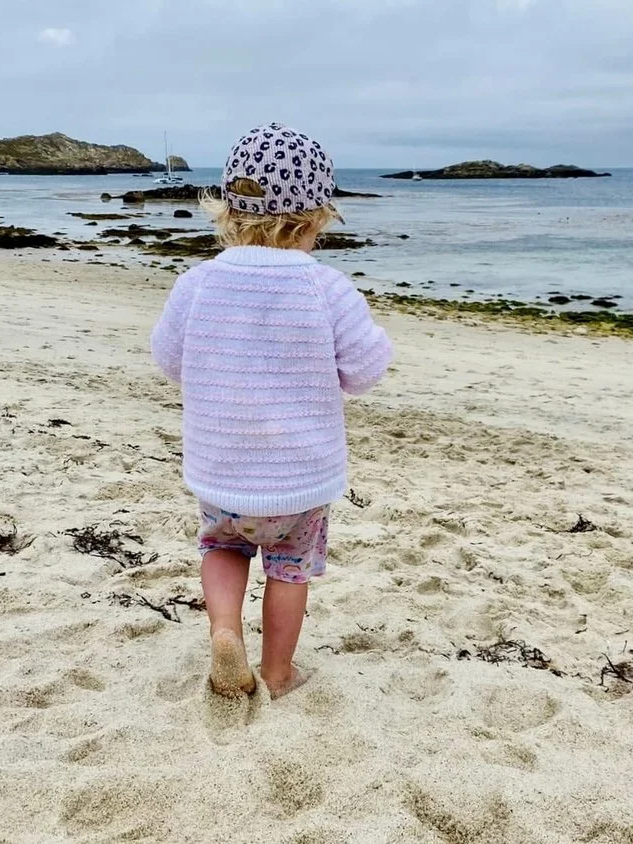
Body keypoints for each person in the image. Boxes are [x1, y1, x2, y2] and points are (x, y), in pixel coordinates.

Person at [150, 123, 392, 699]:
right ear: (315, 218)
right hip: (298, 480)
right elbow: (364, 371)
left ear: (228, 209)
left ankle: (225, 632)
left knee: (223, 548)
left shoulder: (199, 283)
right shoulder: (325, 288)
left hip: (221, 471)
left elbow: (170, 360)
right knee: (289, 569)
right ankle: (279, 672)